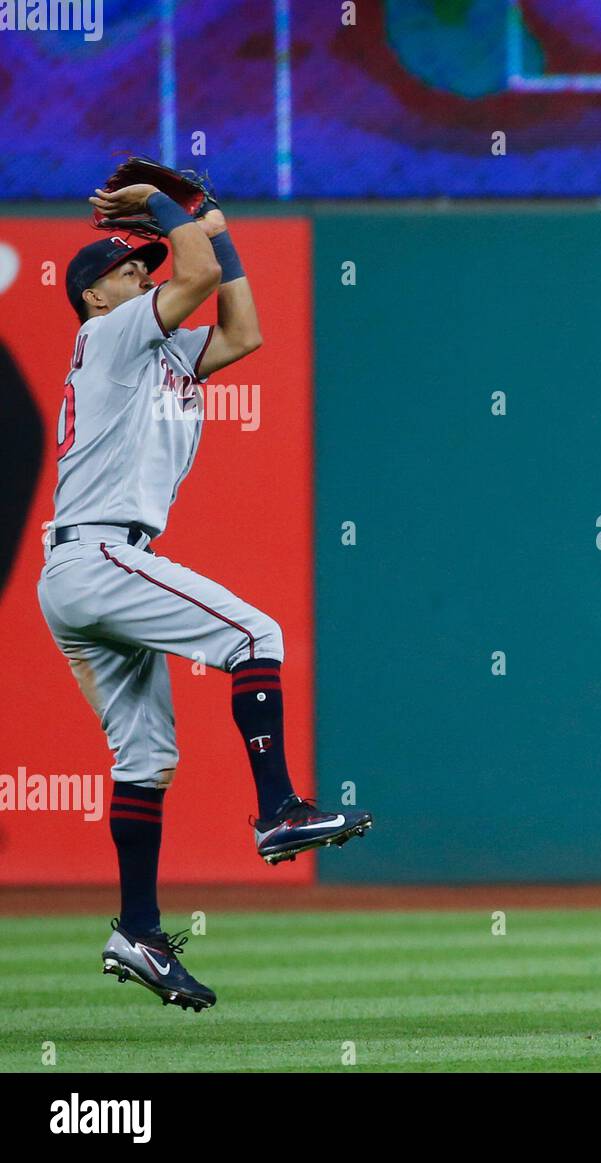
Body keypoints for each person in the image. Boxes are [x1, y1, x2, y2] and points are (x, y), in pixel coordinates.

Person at [39, 182, 373, 1011]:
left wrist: (210, 233)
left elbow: (244, 330)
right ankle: (278, 811)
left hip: (91, 562)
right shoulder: (112, 332)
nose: (142, 273)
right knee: (254, 633)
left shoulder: (162, 351)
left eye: (144, 262)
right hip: (98, 551)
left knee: (147, 757)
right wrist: (171, 210)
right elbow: (187, 278)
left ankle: (139, 932)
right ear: (94, 296)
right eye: (127, 268)